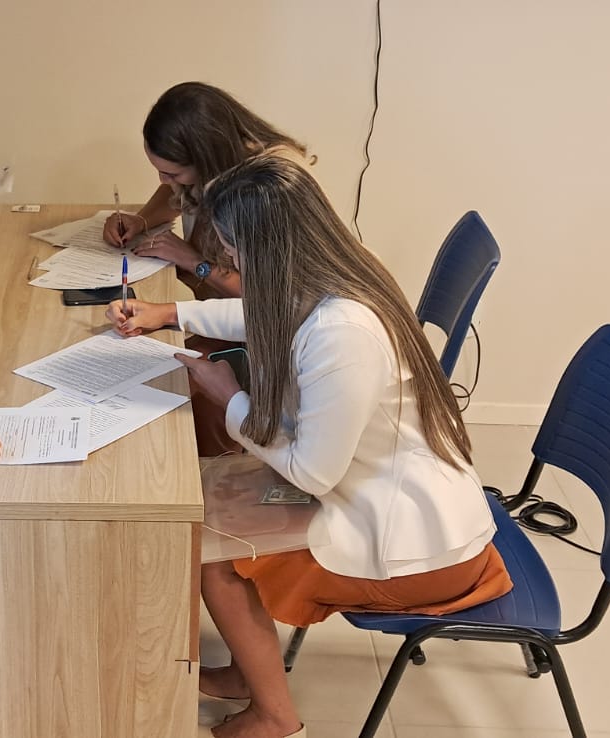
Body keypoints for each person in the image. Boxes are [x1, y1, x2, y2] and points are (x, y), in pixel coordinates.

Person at [107, 155, 511, 738]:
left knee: (214, 556)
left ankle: (275, 716)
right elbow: (262, 316)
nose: (231, 264)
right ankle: (249, 672)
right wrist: (169, 313)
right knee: (208, 501)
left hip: (420, 544)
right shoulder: (336, 278)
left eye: (235, 252)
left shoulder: (343, 332)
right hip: (380, 491)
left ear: (268, 250)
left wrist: (230, 398)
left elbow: (313, 473)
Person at [101, 82, 313, 455]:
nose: (164, 182)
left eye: (173, 174)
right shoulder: (216, 165)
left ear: (207, 158)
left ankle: (196, 469)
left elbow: (266, 301)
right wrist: (142, 220)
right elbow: (174, 193)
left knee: (164, 392)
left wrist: (193, 262)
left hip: (266, 339)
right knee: (142, 370)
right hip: (227, 315)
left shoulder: (267, 189)